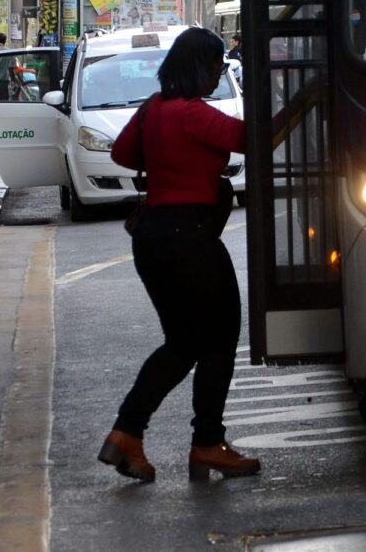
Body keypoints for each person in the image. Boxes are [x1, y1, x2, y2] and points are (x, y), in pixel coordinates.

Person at [97, 27, 259, 484]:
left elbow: (122, 153)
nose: (220, 73)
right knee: (221, 337)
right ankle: (208, 442)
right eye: (217, 66)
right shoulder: (193, 114)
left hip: (150, 237)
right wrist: (301, 103)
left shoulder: (152, 110)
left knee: (182, 343)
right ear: (201, 66)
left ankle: (127, 434)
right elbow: (253, 138)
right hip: (190, 235)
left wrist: (169, 164)